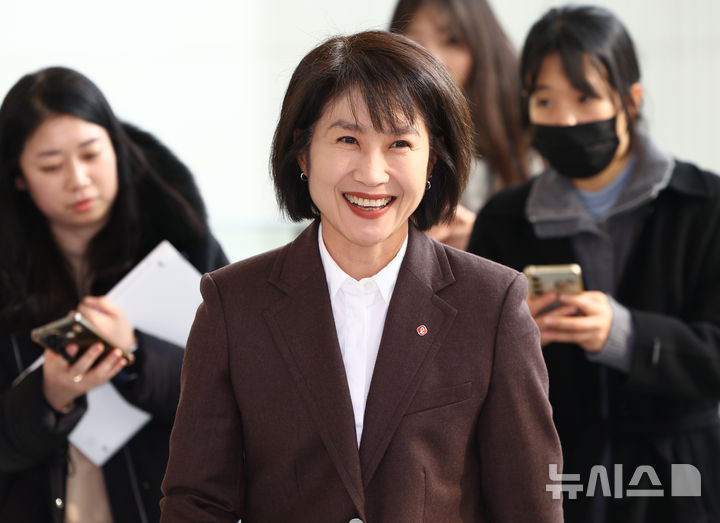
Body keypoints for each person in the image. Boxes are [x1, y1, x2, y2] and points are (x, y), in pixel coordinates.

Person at [161, 30, 562, 522]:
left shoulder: (493, 303)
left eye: (399, 143)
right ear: (303, 152)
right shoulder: (232, 304)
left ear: (432, 160)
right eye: (348, 140)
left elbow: (529, 504)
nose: (372, 174)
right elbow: (196, 503)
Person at [468, 5, 720, 522]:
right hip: (552, 477)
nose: (565, 120)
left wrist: (625, 335)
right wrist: (515, 340)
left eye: (585, 98)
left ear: (631, 100)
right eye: (545, 101)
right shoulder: (504, 220)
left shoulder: (704, 206)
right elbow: (466, 371)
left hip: (683, 478)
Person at [0, 67, 228, 523]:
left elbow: (237, 397)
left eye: (91, 154)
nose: (79, 179)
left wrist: (137, 356)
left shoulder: (182, 240)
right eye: (51, 166)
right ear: (18, 176)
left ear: (117, 147)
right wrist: (46, 396)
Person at [390, 0, 532, 249]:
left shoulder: (529, 137)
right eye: (414, 42)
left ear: (481, 48)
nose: (432, 58)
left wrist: (486, 238)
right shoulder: (373, 129)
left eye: (452, 41)